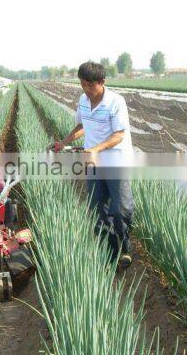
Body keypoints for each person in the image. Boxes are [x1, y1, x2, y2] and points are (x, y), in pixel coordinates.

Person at [53, 61, 134, 268]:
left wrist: (96, 149)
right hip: (94, 162)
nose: (87, 90)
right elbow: (81, 125)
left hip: (115, 160)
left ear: (102, 82)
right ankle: (109, 253)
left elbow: (119, 135)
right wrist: (63, 143)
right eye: (83, 85)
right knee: (97, 209)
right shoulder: (82, 100)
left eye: (91, 85)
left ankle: (125, 249)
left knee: (121, 209)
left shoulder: (116, 102)